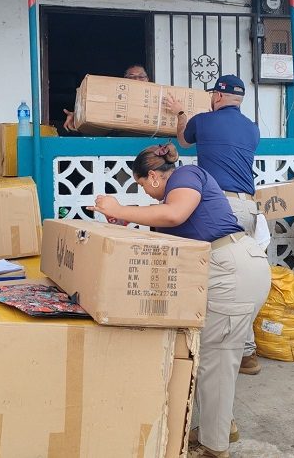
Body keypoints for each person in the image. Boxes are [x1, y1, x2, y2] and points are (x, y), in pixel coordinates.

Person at [90, 143, 270, 458]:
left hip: (231, 271)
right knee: (213, 357)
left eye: (142, 185)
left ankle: (214, 447)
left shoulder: (186, 176)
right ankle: (221, 426)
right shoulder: (177, 190)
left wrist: (118, 209)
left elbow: (174, 215)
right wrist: (128, 219)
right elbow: (168, 221)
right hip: (231, 267)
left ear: (153, 176)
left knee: (216, 361)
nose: (145, 193)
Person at [164, 73, 265, 375]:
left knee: (216, 282)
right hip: (248, 208)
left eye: (212, 94)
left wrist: (180, 113)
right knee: (242, 284)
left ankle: (210, 350)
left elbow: (183, 141)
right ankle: (247, 354)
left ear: (218, 96)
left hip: (218, 207)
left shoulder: (203, 121)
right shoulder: (253, 129)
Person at [62, 64, 150, 132]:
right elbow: (94, 114)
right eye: (131, 77)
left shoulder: (155, 101)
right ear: (124, 80)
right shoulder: (113, 100)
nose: (137, 80)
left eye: (141, 76)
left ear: (148, 79)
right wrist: (76, 118)